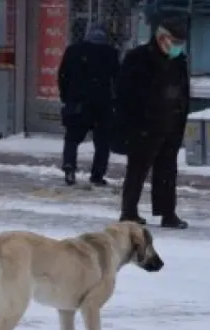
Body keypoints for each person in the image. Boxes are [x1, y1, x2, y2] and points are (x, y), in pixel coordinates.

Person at [113, 16, 190, 229]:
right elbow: (124, 93)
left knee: (167, 171)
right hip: (143, 125)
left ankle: (168, 213)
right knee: (137, 170)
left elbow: (183, 90)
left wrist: (180, 113)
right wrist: (131, 122)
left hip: (170, 123)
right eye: (174, 42)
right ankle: (129, 212)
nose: (177, 47)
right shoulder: (138, 58)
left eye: (180, 43)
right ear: (162, 37)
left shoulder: (178, 60)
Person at [57, 24, 120, 187]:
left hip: (78, 103)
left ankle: (69, 166)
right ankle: (97, 175)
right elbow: (118, 80)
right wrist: (116, 101)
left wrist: (66, 97)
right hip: (102, 105)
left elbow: (63, 75)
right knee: (102, 143)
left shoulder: (73, 51)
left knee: (72, 138)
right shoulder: (110, 53)